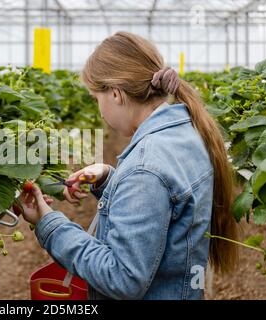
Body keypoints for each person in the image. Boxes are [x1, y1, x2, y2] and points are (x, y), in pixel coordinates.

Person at [19, 32, 239, 300]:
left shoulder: (146, 168)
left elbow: (122, 278)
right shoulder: (185, 133)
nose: (99, 111)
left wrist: (49, 224)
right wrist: (108, 179)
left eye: (95, 98)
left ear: (115, 94)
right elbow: (165, 205)